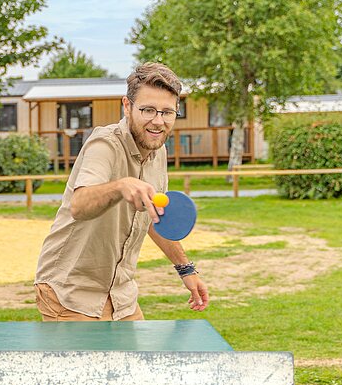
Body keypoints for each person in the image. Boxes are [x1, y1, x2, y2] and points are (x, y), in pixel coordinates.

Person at [34, 63, 210, 321]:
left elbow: (155, 217)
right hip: (71, 292)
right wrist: (120, 186)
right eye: (148, 110)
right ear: (127, 107)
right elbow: (79, 205)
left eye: (167, 112)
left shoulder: (158, 152)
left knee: (139, 362)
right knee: (92, 364)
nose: (158, 121)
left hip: (121, 294)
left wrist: (186, 269)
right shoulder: (104, 144)